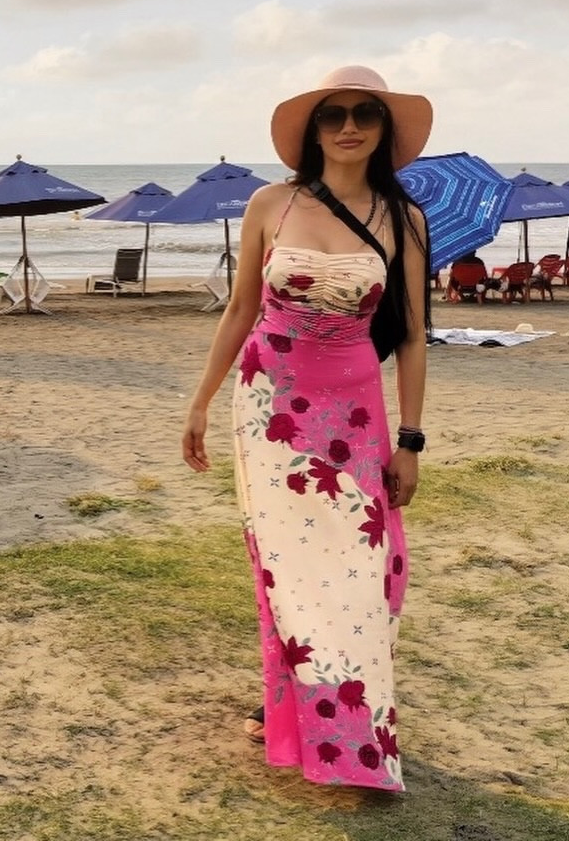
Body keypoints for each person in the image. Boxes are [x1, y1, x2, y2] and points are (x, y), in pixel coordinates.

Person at [182, 65, 432, 792]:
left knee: (367, 566)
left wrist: (410, 441)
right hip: (269, 411)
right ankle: (292, 710)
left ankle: (351, 722)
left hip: (354, 413)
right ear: (312, 129)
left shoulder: (403, 217)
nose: (348, 127)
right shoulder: (272, 202)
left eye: (365, 114)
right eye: (333, 114)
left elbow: (413, 336)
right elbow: (240, 310)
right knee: (284, 565)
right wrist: (200, 401)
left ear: (384, 128)